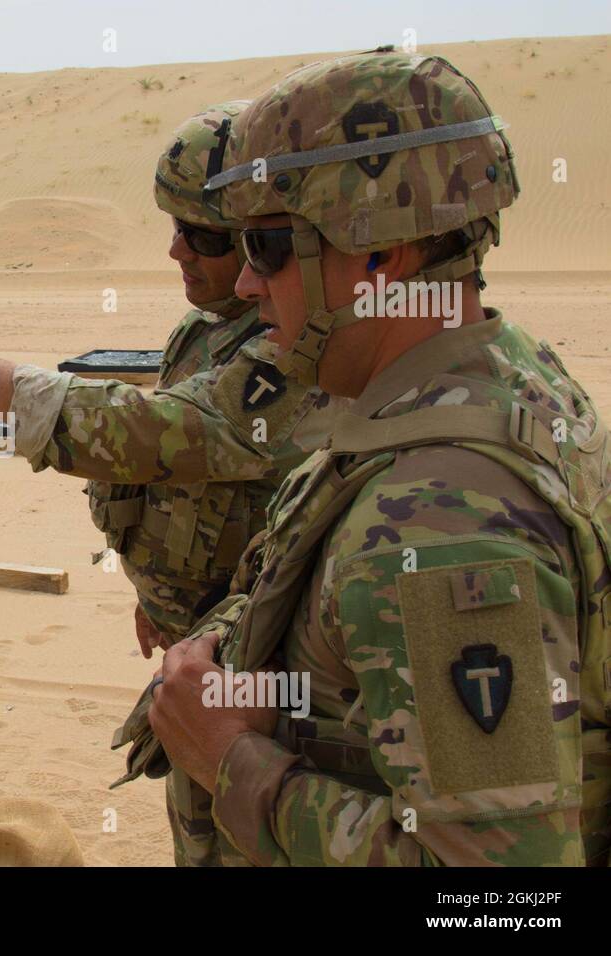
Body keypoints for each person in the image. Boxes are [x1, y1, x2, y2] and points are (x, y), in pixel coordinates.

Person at [0, 103, 344, 865]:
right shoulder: (209, 327)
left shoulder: (293, 346)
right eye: (173, 227)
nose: (177, 251)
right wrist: (160, 592)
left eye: (203, 235)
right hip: (204, 650)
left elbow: (173, 432)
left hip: (265, 677)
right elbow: (187, 480)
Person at [145, 49, 610, 865]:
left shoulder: (440, 526)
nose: (248, 288)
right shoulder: (504, 379)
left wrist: (232, 763)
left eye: (267, 247)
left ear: (379, 261)